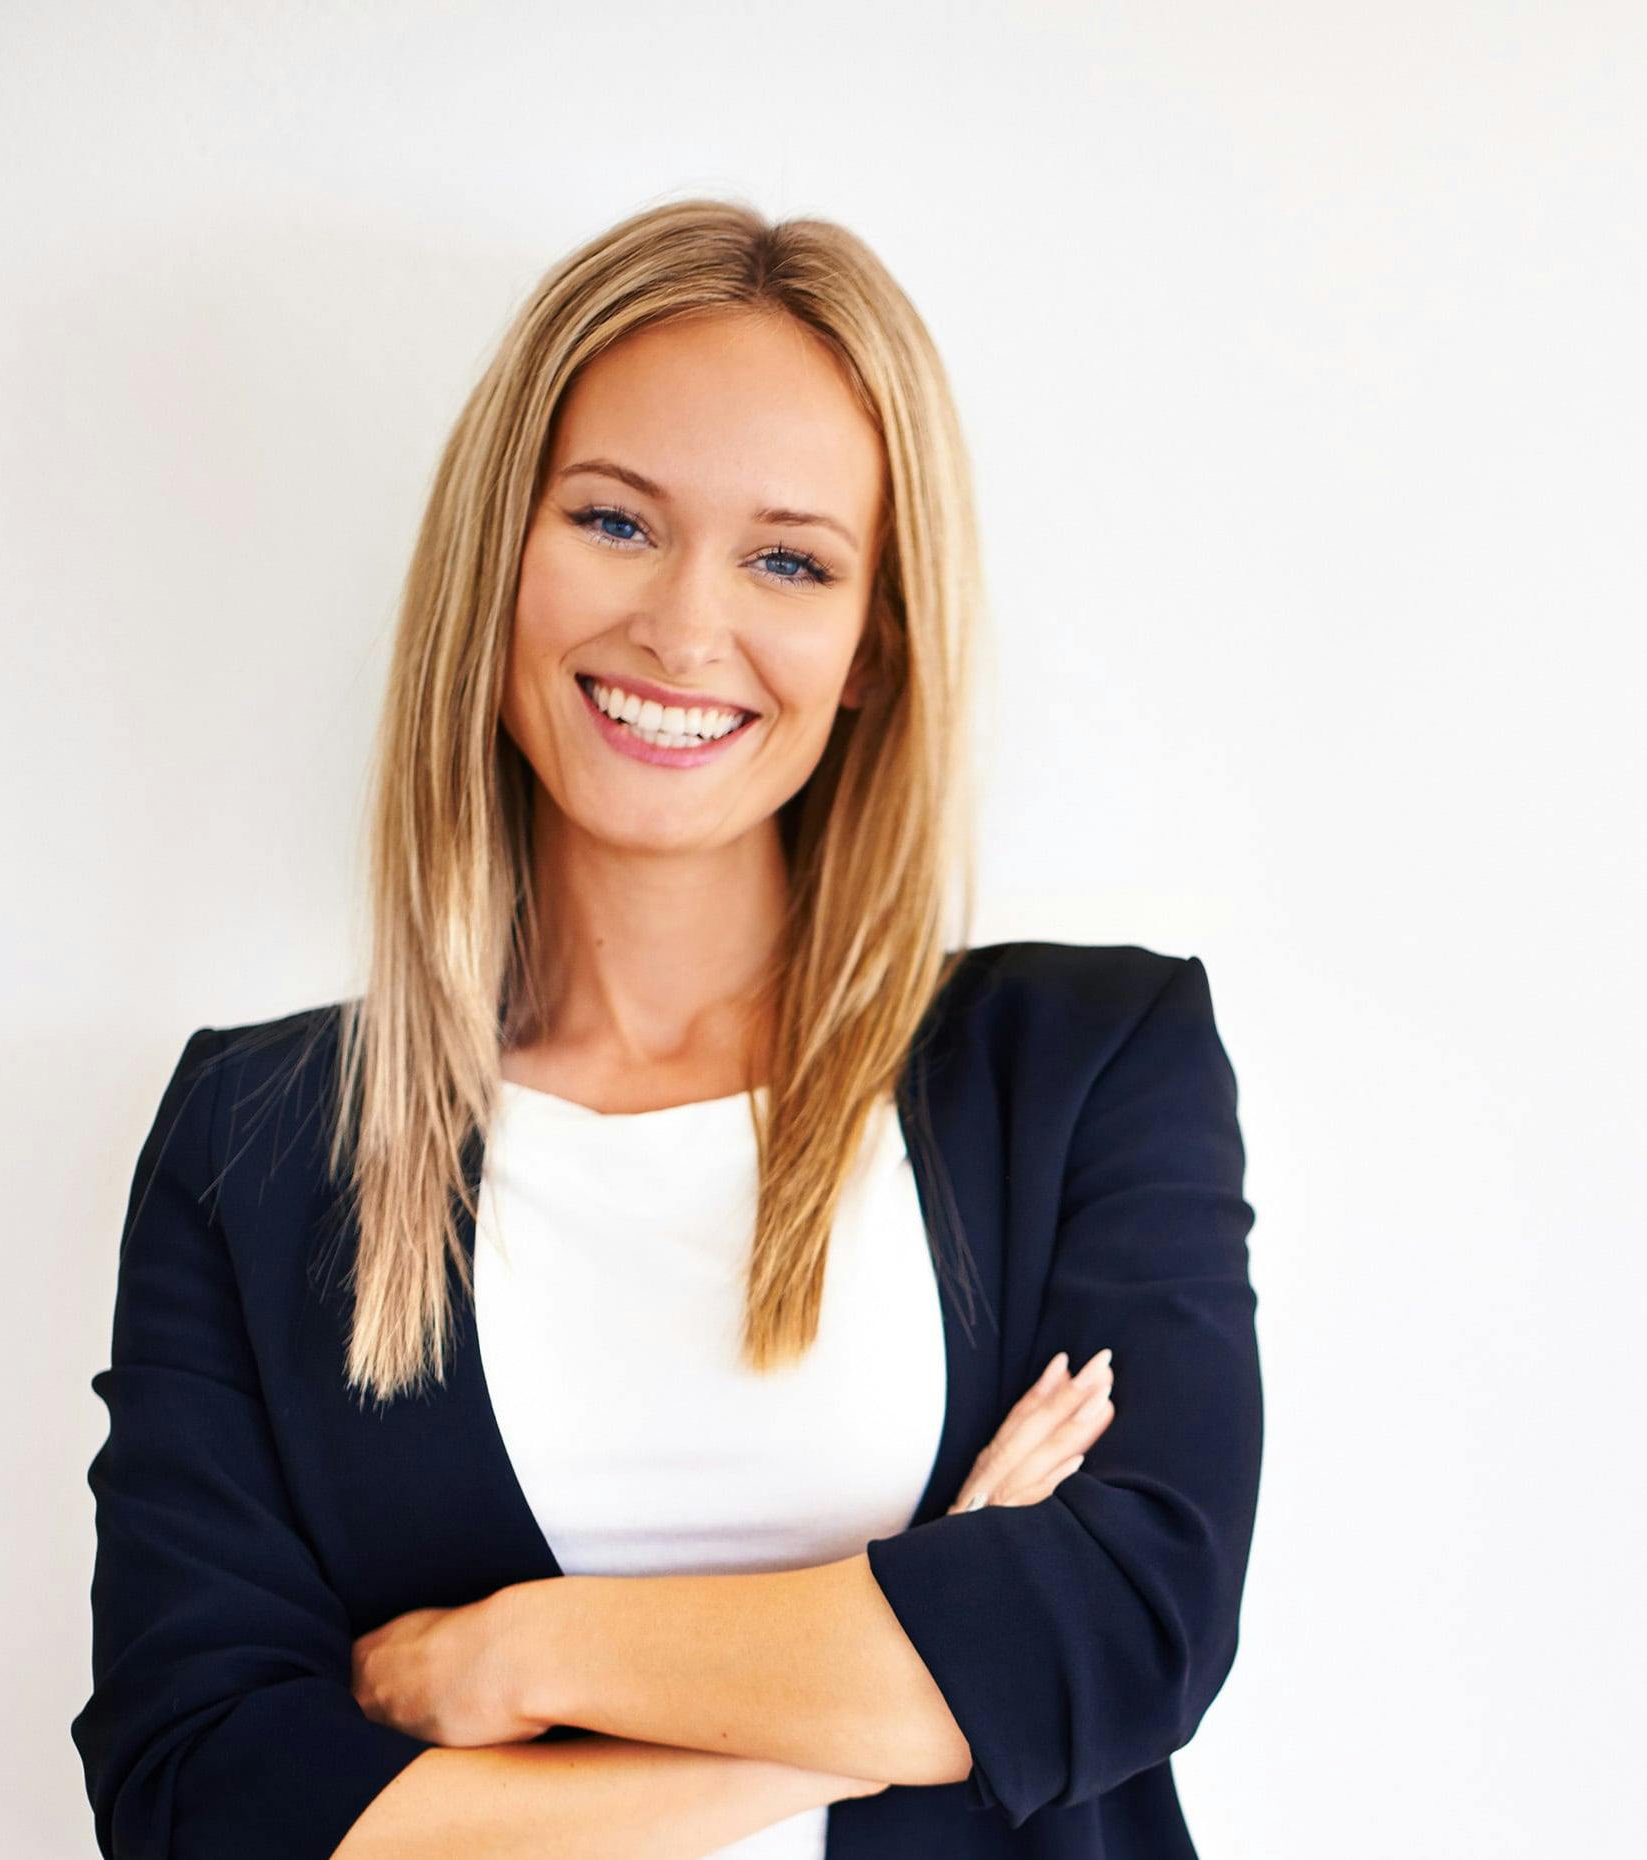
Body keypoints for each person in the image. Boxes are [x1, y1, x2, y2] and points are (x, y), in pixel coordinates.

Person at [71, 197, 1262, 1860]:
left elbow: (1118, 1634)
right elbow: (206, 1797)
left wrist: (519, 1656)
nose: (684, 629)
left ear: (869, 649)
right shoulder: (260, 1137)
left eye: (789, 559)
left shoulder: (1079, 1065)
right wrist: (872, 1704)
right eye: (615, 522)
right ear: (499, 553)